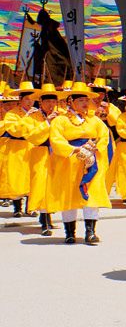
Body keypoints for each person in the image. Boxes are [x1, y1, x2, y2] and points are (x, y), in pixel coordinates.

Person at [47, 81, 110, 245]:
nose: (85, 103)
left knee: (92, 194)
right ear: (70, 101)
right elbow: (56, 140)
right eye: (81, 100)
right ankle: (69, 232)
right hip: (69, 161)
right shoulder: (60, 120)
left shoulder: (94, 120)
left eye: (86, 100)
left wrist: (94, 148)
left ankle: (90, 231)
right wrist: (74, 149)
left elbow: (104, 135)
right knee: (69, 195)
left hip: (90, 160)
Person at [20, 83, 59, 236]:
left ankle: (49, 215)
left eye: (53, 101)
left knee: (53, 186)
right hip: (40, 154)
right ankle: (45, 220)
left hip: (56, 154)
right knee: (41, 186)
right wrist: (47, 122)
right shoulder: (32, 117)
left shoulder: (61, 116)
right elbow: (33, 137)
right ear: (40, 102)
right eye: (47, 101)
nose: (51, 105)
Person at [0, 83, 31, 216]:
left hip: (31, 147)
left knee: (31, 177)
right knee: (16, 177)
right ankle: (17, 207)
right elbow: (15, 131)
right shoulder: (11, 115)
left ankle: (31, 207)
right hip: (15, 148)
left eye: (32, 99)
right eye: (27, 99)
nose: (30, 102)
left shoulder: (35, 113)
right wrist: (27, 119)